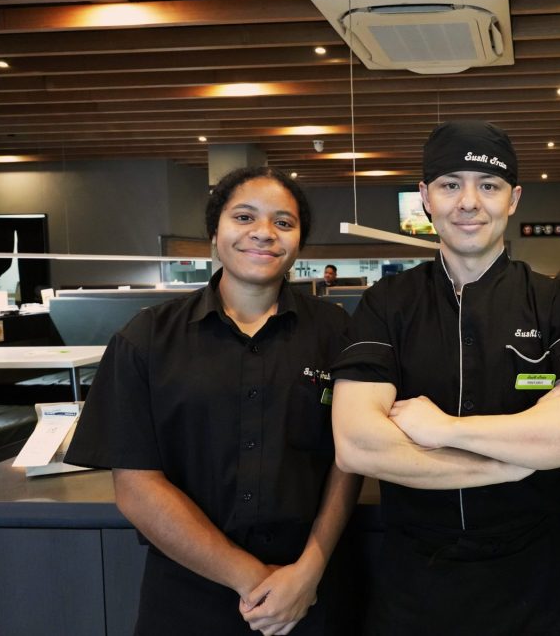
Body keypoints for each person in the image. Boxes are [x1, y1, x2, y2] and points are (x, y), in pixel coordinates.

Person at [331, 120, 560, 635]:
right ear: (425, 197)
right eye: (450, 184)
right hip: (414, 581)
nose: (469, 202)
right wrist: (516, 461)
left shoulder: (555, 301)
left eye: (488, 186)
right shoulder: (387, 305)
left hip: (534, 579)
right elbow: (358, 445)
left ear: (513, 199)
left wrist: (445, 429)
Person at [65, 167, 362, 636]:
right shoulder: (146, 339)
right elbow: (136, 485)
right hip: (187, 596)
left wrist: (308, 571)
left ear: (299, 241)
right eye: (244, 217)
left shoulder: (338, 334)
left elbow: (350, 460)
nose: (263, 233)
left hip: (311, 592)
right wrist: (252, 579)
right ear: (214, 232)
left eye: (283, 223)